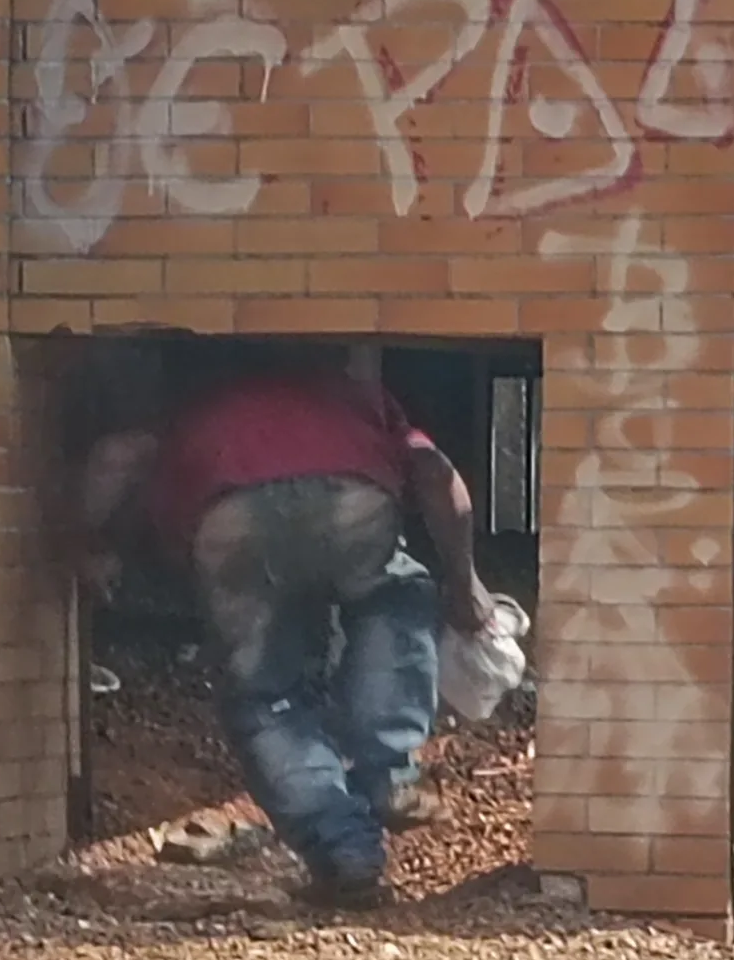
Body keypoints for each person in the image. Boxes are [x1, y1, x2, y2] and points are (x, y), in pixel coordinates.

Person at [77, 351, 493, 905]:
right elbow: (436, 473)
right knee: (394, 595)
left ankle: (345, 852)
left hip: (232, 520)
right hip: (351, 502)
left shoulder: (194, 404)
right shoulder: (351, 397)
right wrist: (464, 587)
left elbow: (115, 457)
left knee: (265, 696)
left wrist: (89, 547)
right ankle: (388, 769)